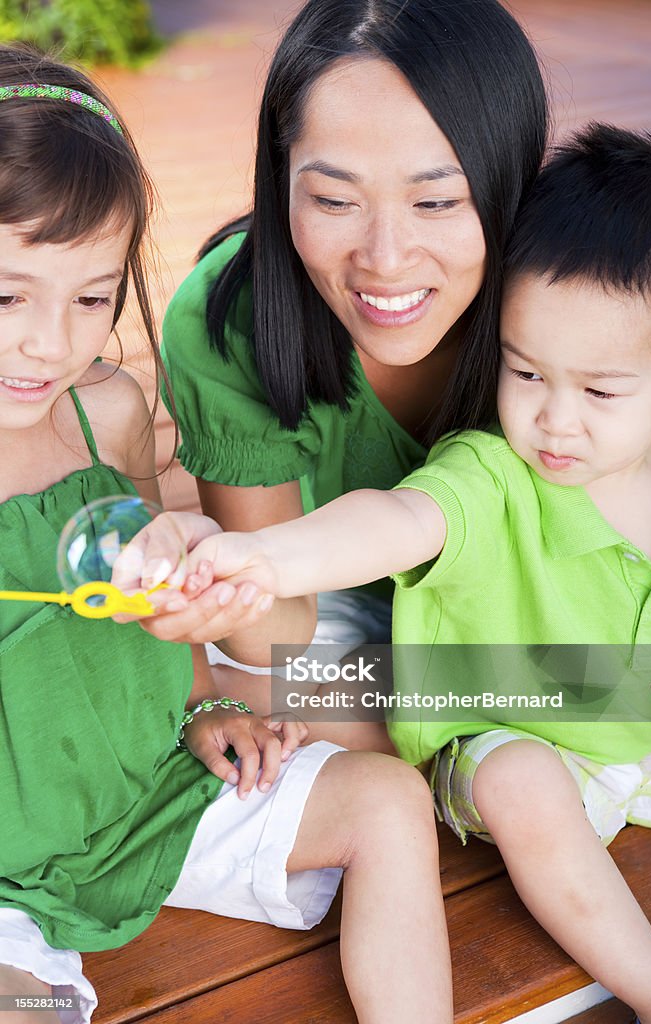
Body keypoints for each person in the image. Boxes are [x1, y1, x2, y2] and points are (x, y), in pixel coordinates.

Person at [120, 123, 651, 1024]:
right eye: (523, 371)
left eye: (600, 390)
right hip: (502, 723)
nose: (553, 421)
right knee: (510, 775)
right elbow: (393, 518)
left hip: (641, 720)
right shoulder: (491, 468)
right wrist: (266, 556)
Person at [0, 46, 453, 1024]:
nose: (50, 340)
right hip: (5, 854)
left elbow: (150, 595)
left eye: (91, 297)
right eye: (8, 296)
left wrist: (203, 706)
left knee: (386, 799)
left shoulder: (105, 410)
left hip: (145, 785)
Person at [136, 0, 549, 741]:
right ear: (278, 178)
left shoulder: (578, 296)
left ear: (508, 181)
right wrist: (233, 590)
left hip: (549, 607)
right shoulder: (230, 319)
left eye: (437, 200)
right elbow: (281, 639)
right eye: (332, 199)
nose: (385, 259)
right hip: (348, 604)